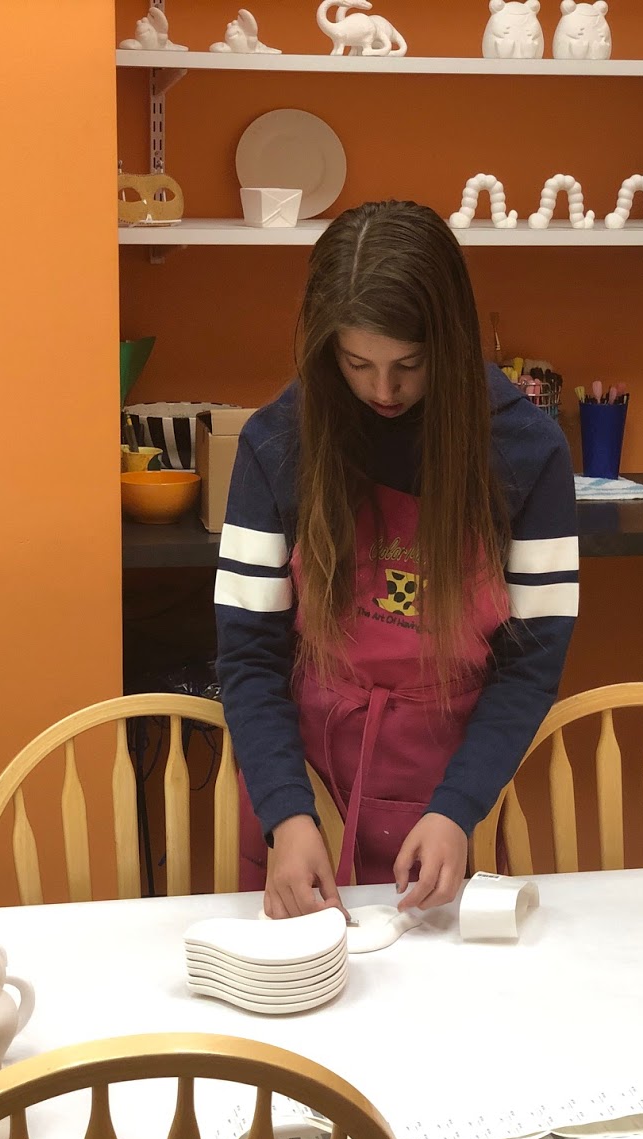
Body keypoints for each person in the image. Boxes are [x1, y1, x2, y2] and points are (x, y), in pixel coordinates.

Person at [215, 200, 578, 919]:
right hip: (303, 785)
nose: (384, 391)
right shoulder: (277, 442)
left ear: (452, 342)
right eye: (358, 364)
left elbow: (531, 664)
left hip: (452, 784)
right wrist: (287, 814)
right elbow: (249, 656)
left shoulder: (524, 450)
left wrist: (457, 808)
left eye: (409, 365)